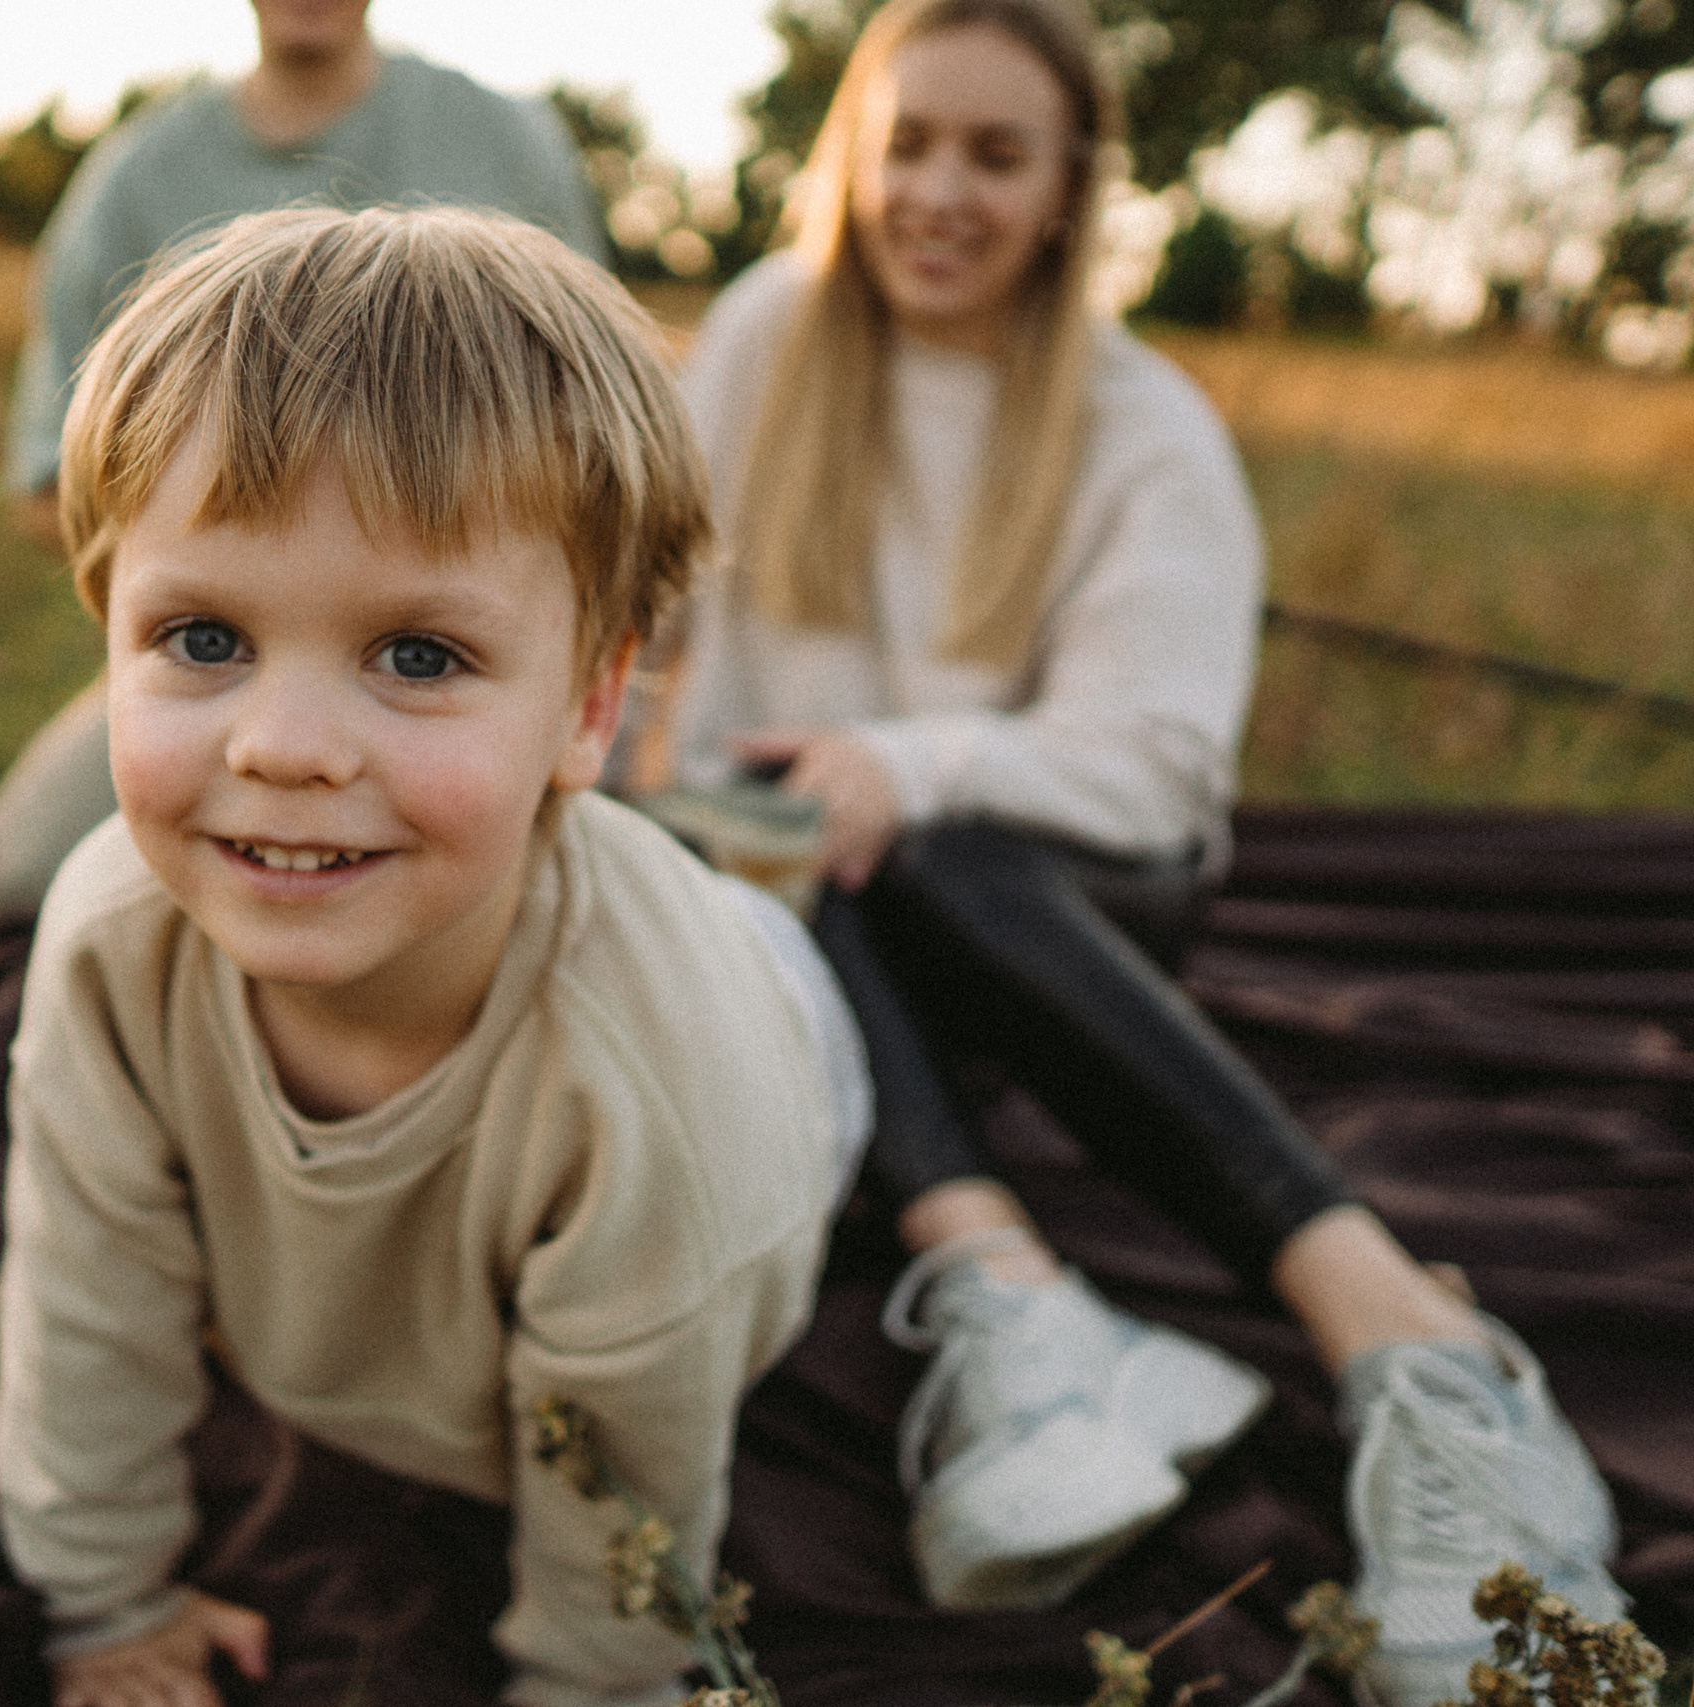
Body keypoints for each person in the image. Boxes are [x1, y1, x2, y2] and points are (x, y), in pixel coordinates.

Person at [659, 2, 1628, 1701]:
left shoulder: (1137, 420)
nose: (939, 190)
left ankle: (1424, 1353)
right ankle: (1014, 1294)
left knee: (922, 850)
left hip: (1059, 911)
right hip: (802, 904)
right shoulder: (755, 340)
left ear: (1065, 191)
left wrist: (902, 762)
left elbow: (1159, 768)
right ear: (853, 151)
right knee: (758, 849)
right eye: (909, 140)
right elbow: (676, 662)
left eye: (995, 153)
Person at [0, 206, 870, 1707]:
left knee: (758, 950)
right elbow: (85, 1291)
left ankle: (778, 899)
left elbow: (632, 1498)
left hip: (774, 1033)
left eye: (417, 656)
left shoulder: (652, 1089)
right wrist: (103, 1598)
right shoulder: (108, 944)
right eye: (203, 638)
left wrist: (588, 1680)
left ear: (593, 710)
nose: (286, 746)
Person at [0, 1, 608, 921]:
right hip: (232, 650)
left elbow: (600, 441)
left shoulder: (503, 145)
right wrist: (219, 600)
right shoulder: (138, 177)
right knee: (14, 880)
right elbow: (46, 481)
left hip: (472, 655)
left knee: (597, 867)